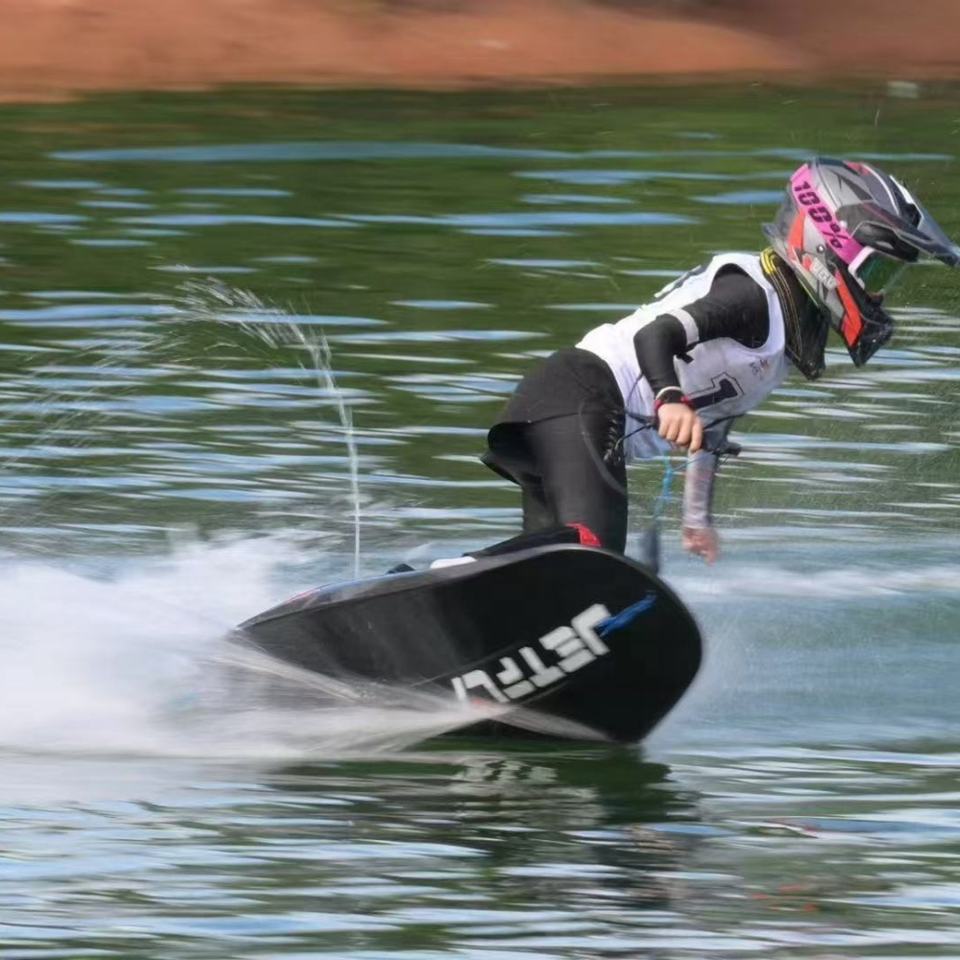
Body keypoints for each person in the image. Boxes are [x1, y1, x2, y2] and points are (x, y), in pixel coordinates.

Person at [480, 156, 960, 563]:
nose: (878, 294)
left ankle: (453, 600)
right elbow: (656, 335)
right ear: (824, 248)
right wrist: (670, 398)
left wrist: (696, 520)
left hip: (572, 412)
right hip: (580, 395)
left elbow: (711, 429)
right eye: (876, 272)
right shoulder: (754, 296)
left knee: (547, 564)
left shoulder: (780, 338)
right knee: (592, 560)